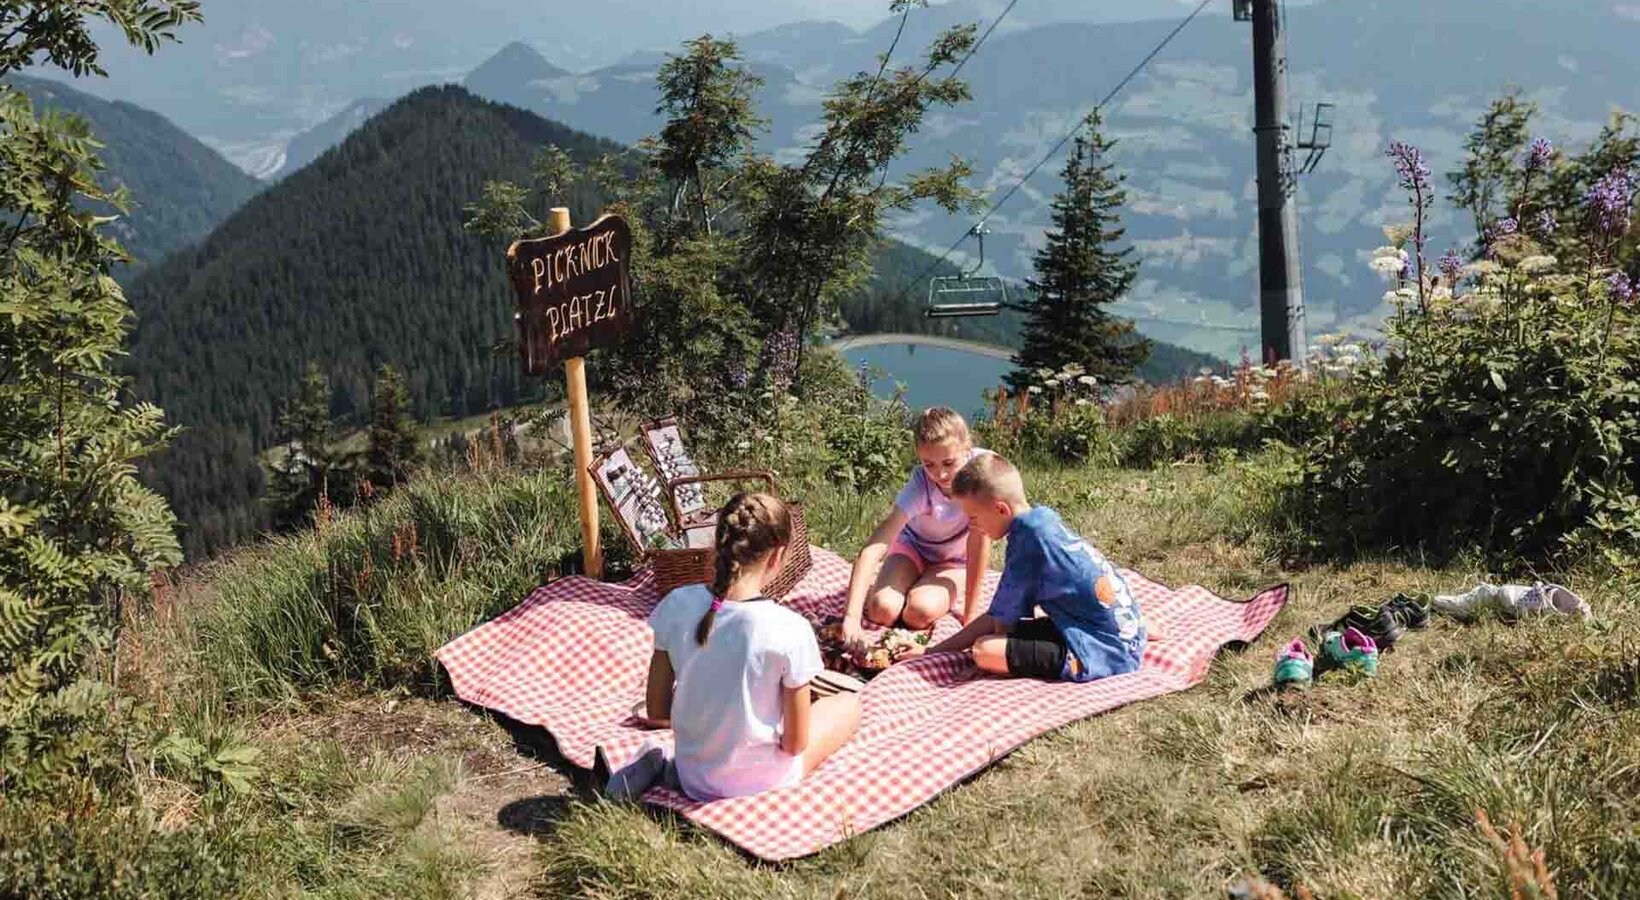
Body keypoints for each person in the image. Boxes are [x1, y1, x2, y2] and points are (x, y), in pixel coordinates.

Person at [628, 492, 861, 801]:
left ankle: (658, 761)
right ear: (777, 557)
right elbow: (794, 744)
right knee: (848, 705)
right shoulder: (790, 628)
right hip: (765, 782)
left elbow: (657, 710)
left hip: (693, 777)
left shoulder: (675, 604)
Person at [893, 453, 1147, 682]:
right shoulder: (1042, 519)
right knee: (992, 639)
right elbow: (998, 614)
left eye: (973, 518)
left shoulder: (1027, 543)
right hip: (1115, 629)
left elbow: (1001, 626)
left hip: (1103, 650)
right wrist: (933, 651)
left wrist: (989, 659)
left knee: (983, 650)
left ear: (1001, 509)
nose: (973, 526)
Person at [840, 407, 992, 653]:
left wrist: (970, 615)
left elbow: (981, 539)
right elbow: (873, 548)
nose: (940, 474)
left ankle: (921, 586)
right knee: (882, 610)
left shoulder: (984, 473)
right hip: (912, 548)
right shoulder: (920, 485)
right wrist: (851, 618)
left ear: (967, 449)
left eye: (949, 462)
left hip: (954, 561)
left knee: (919, 612)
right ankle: (898, 583)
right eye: (929, 464)